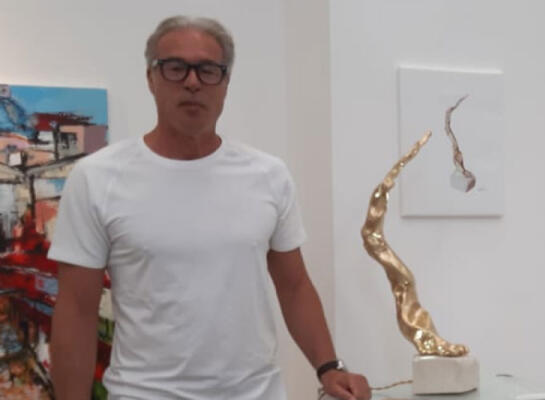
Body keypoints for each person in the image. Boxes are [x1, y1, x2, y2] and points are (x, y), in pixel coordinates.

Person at [48, 16, 371, 400]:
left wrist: (329, 367)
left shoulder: (268, 175)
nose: (192, 82)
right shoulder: (97, 178)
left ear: (226, 82)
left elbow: (294, 285)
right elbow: (77, 310)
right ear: (151, 78)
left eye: (208, 70)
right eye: (175, 67)